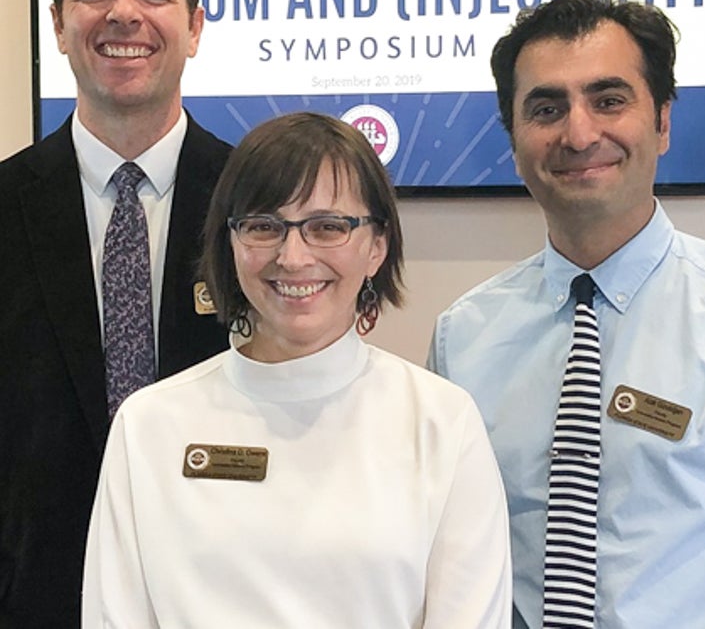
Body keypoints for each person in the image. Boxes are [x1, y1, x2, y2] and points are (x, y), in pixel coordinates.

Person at [82, 111, 512, 628]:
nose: (292, 256)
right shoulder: (149, 424)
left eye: (327, 227)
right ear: (231, 243)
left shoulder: (443, 422)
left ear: (377, 246)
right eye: (264, 226)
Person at [429, 0, 705, 628]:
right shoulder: (462, 337)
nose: (579, 133)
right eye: (547, 108)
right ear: (514, 138)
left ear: (661, 122)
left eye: (608, 100)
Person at [0, 0, 231, 627]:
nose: (122, 14)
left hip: (226, 598)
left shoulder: (265, 209)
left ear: (194, 27)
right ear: (58, 25)